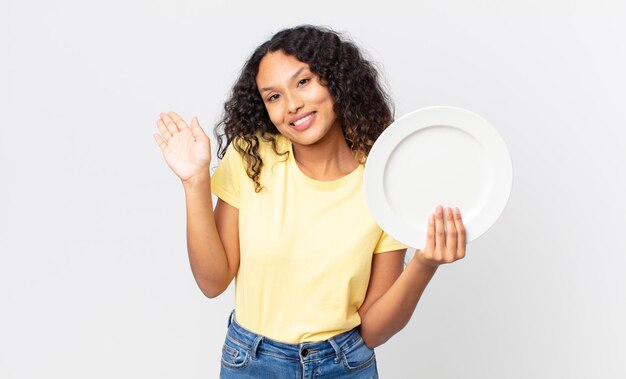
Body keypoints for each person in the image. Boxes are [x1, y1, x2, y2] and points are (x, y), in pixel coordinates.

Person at [153, 25, 466, 378]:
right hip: (252, 363)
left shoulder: (383, 181)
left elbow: (375, 330)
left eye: (303, 82)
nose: (292, 105)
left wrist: (425, 263)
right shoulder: (251, 159)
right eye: (273, 97)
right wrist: (194, 182)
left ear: (336, 80)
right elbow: (212, 282)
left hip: (344, 364)